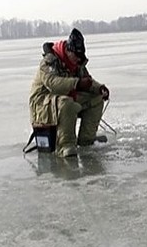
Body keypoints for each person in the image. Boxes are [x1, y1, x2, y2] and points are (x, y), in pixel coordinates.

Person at [29, 28, 110, 157]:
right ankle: (65, 146)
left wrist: (99, 88)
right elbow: (53, 83)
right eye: (76, 56)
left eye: (80, 57)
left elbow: (87, 80)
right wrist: (77, 83)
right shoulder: (48, 62)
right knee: (67, 104)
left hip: (65, 98)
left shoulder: (76, 63)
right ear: (68, 51)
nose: (78, 60)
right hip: (41, 105)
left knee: (96, 98)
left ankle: (86, 140)